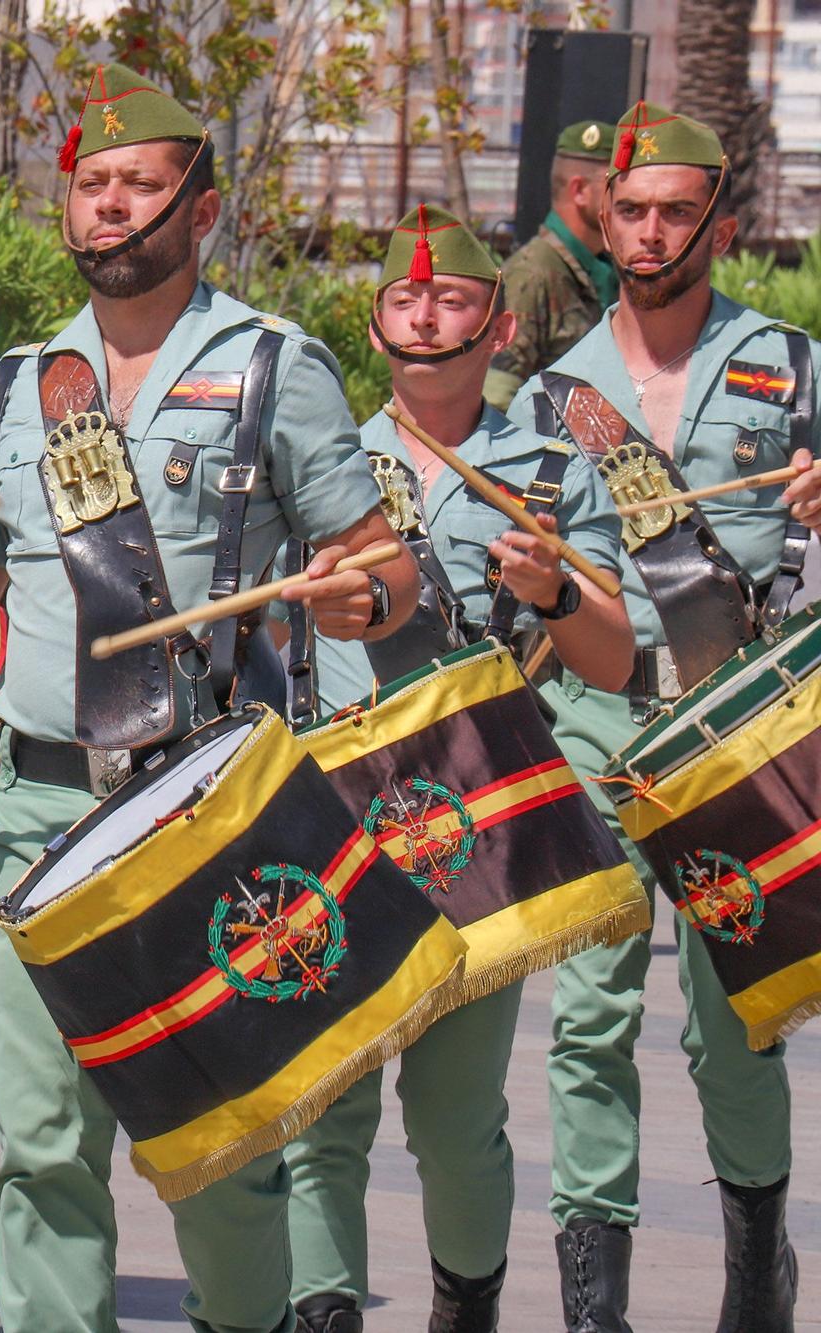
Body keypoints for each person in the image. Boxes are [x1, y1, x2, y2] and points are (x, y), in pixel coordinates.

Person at [0, 63, 418, 1333]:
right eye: (89, 186)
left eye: (138, 187)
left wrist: (354, 600)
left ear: (198, 213)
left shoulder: (274, 365)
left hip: (204, 813)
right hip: (36, 809)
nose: (108, 208)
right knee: (40, 1150)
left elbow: (383, 569)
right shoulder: (12, 383)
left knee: (225, 1153)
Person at [283, 206, 633, 1333]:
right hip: (329, 810)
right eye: (401, 299)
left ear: (495, 326)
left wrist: (551, 593)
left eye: (449, 299)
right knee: (320, 1106)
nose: (423, 313)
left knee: (450, 1113)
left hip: (477, 814)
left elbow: (614, 653)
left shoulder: (541, 459)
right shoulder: (314, 455)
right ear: (374, 328)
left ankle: (463, 1306)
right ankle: (325, 1309)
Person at [507, 102, 821, 1333]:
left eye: (673, 213)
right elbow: (529, 574)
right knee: (587, 1018)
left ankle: (754, 1262)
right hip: (595, 717)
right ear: (602, 215)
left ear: (719, 225)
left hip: (732, 730)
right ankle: (595, 1303)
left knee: (733, 1022)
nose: (645, 233)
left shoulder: (788, 367)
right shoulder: (553, 390)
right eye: (627, 210)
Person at [486, 118, 618, 410]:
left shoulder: (604, 271)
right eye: (616, 185)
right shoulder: (532, 275)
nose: (629, 197)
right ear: (580, 191)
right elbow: (495, 399)